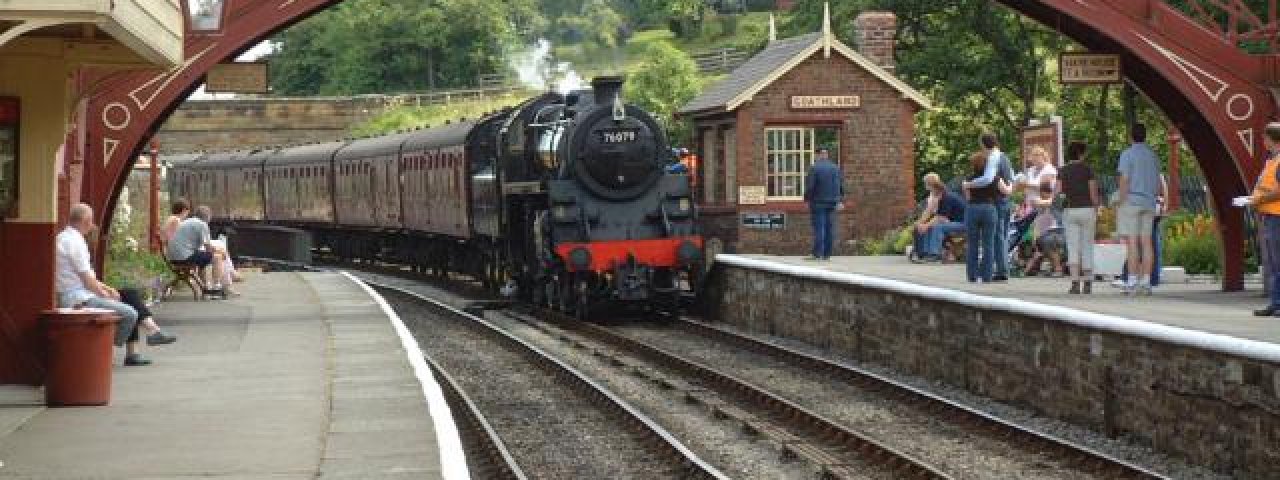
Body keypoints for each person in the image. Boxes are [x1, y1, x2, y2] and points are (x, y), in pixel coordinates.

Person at [56, 203, 151, 365]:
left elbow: (87, 278)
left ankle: (140, 342)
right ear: (86, 221)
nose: (92, 226)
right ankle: (102, 349)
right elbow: (87, 282)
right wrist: (106, 295)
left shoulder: (64, 237)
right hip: (78, 298)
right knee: (130, 313)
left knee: (128, 295)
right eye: (91, 221)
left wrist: (107, 289)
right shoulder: (75, 243)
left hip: (77, 293)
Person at [1115, 123, 1164, 295]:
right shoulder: (1153, 156)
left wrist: (1121, 200)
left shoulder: (1127, 155)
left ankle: (1132, 281)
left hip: (1132, 201)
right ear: (1145, 136)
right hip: (1149, 203)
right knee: (1147, 242)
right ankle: (1146, 282)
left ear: (1130, 136)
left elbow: (1124, 179)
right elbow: (1158, 183)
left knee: (1133, 242)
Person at [964, 134, 1016, 281]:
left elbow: (987, 179)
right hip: (1006, 200)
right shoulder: (1004, 157)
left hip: (996, 202)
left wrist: (969, 184)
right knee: (1003, 236)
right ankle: (1001, 269)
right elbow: (1012, 177)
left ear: (983, 145)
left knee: (997, 237)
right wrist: (1010, 189)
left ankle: (1001, 271)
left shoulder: (992, 158)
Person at [1057, 140, 1100, 294]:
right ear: (1081, 153)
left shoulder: (1062, 170)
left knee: (1072, 246)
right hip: (1087, 209)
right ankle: (1088, 282)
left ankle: (1075, 282)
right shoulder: (1088, 170)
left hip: (1070, 210)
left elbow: (1059, 192)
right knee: (1087, 245)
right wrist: (1096, 208)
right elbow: (1093, 193)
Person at [166, 205, 237, 297]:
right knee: (217, 257)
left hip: (173, 256)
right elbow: (208, 247)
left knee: (203, 260)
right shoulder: (202, 224)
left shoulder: (188, 221)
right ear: (208, 216)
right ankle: (216, 288)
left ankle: (205, 288)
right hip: (184, 256)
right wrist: (221, 251)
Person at [1247, 122, 1280, 316]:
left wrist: (1259, 198)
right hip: (1269, 215)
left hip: (1277, 216)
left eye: (1265, 138)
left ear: (1272, 139)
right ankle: (1275, 303)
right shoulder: (1271, 160)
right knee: (1274, 263)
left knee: (1278, 261)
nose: (1263, 141)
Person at [911, 173, 966, 263]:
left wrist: (926, 225)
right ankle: (925, 253)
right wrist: (920, 223)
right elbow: (929, 211)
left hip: (964, 223)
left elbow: (940, 218)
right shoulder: (939, 195)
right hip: (954, 222)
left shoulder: (947, 197)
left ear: (934, 188)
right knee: (930, 226)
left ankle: (935, 254)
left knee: (937, 227)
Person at [804, 147, 844, 260]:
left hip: (818, 202)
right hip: (832, 202)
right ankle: (827, 254)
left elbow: (810, 187)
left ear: (818, 155)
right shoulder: (835, 168)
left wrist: (807, 199)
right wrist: (840, 200)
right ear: (826, 155)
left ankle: (817, 254)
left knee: (819, 228)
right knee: (829, 228)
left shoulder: (814, 168)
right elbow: (840, 185)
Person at [1023, 181, 1064, 277]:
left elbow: (1044, 202)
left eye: (1042, 193)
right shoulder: (1039, 205)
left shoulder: (1056, 201)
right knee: (1037, 241)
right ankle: (1047, 267)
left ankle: (1058, 269)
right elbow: (1035, 222)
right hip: (1044, 233)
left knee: (1048, 240)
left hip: (1058, 232)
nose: (1041, 195)